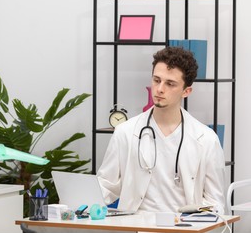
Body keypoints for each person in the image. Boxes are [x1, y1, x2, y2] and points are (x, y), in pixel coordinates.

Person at [97, 46, 226, 214]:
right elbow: (106, 186)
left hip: (183, 230)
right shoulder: (125, 132)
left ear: (186, 91)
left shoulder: (207, 139)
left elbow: (215, 202)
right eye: (156, 80)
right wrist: (75, 204)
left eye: (170, 84)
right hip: (135, 229)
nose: (159, 89)